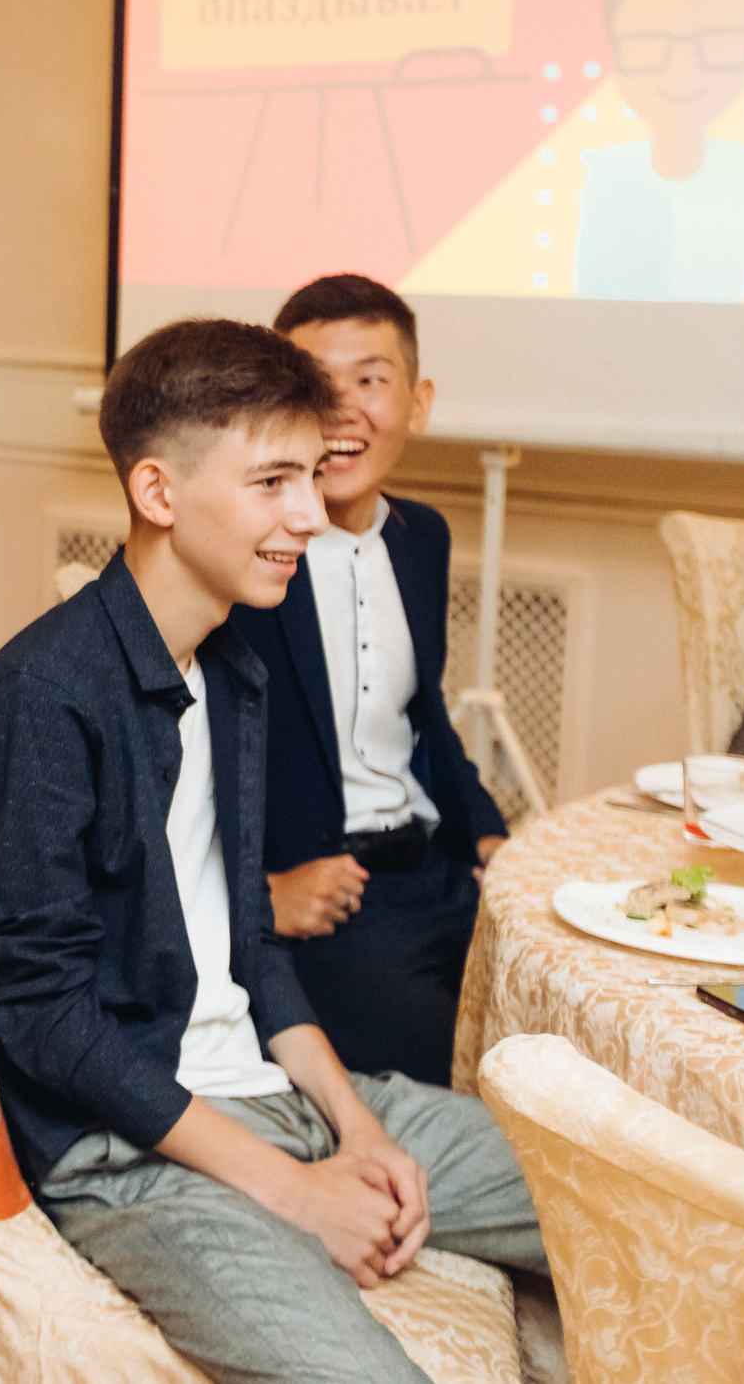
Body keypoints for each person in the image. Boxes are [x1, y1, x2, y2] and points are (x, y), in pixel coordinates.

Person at [0, 318, 545, 1384]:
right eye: (272, 482)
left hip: (280, 1091)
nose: (309, 514)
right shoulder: (46, 702)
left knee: (644, 1205)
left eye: (311, 477)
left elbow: (249, 944)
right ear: (159, 492)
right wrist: (285, 1187)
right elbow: (48, 1023)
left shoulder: (228, 667)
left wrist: (356, 1129)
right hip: (132, 1149)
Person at [226, 274, 506, 1087]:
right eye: (316, 381)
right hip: (334, 899)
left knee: (557, 1027)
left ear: (416, 404)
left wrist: (489, 838)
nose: (343, 407)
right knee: (445, 1083)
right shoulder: (243, 554)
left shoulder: (424, 537)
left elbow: (423, 718)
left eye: (370, 380)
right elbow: (189, 757)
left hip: (436, 871)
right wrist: (259, 894)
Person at [574, 0, 744, 301]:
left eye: (719, 40)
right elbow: (592, 289)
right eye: (648, 42)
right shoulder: (609, 171)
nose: (683, 68)